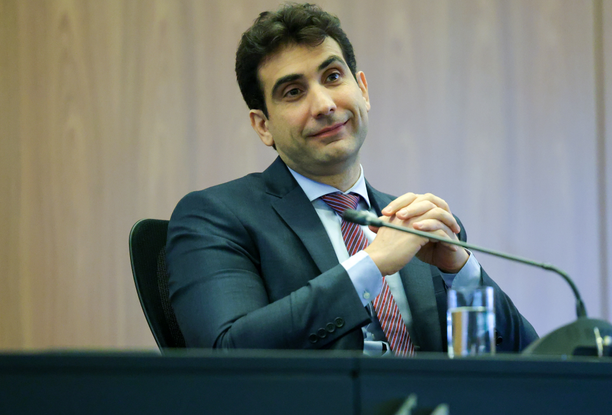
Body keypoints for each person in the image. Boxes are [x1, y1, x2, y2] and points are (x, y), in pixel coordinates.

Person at [166, 3, 537, 354]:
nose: (325, 105)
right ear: (263, 126)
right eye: (294, 92)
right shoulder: (215, 217)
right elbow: (226, 354)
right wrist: (370, 265)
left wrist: (462, 274)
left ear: (362, 89)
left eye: (333, 77)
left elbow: (526, 365)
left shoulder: (420, 226)